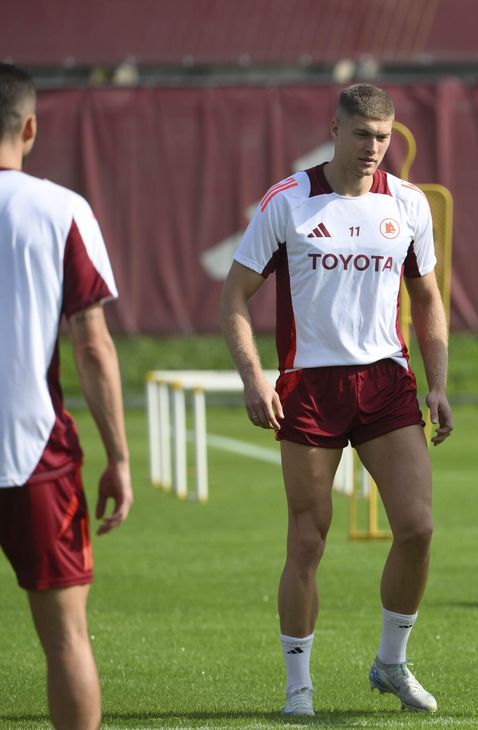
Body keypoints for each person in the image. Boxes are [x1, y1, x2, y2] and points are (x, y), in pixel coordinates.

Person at [220, 82, 452, 717]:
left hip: (385, 382)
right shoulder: (289, 201)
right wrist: (252, 376)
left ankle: (392, 663)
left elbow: (427, 298)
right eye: (362, 135)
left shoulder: (407, 203)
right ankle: (299, 688)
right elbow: (234, 297)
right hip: (309, 388)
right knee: (307, 542)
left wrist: (438, 383)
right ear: (336, 129)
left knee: (419, 526)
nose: (374, 147)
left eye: (383, 136)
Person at [0, 63, 133, 730]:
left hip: (30, 451)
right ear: (29, 126)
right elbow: (92, 344)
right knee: (65, 640)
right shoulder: (59, 208)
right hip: (32, 454)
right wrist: (120, 457)